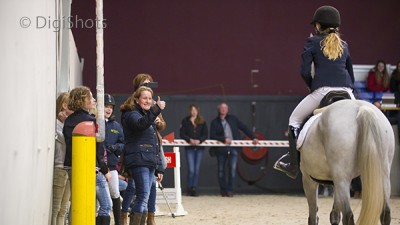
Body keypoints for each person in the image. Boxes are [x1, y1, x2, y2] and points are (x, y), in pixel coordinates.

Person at [273, 5, 355, 179]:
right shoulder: (345, 45)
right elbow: (350, 72)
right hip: (347, 91)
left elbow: (304, 71)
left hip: (323, 90)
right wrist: (349, 89)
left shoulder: (312, 42)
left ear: (318, 26)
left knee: (294, 120)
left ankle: (293, 166)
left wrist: (312, 86)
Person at [63, 86, 112, 225]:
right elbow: (98, 149)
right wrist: (104, 169)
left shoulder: (69, 120)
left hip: (72, 165)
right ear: (81, 100)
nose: (93, 99)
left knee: (77, 202)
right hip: (90, 166)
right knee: (98, 204)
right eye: (90, 97)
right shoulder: (90, 121)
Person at [120, 86, 166, 225]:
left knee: (143, 196)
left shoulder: (148, 115)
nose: (148, 101)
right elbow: (140, 125)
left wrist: (159, 166)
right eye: (144, 98)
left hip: (148, 159)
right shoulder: (131, 114)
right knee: (142, 197)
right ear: (137, 100)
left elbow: (155, 143)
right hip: (139, 160)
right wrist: (156, 109)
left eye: (150, 98)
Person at [209, 102, 258, 197]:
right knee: (221, 171)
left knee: (232, 170)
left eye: (225, 108)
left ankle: (230, 190)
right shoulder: (214, 122)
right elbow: (212, 136)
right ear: (219, 109)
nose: (223, 109)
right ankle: (223, 191)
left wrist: (253, 137)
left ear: (228, 110)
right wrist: (224, 139)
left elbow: (243, 127)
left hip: (233, 148)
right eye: (222, 108)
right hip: (220, 149)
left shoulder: (233, 119)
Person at [52, 92, 73, 225]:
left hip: (69, 167)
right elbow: (66, 140)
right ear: (64, 106)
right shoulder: (56, 124)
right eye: (71, 106)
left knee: (63, 209)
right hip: (60, 168)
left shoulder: (67, 124)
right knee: (56, 208)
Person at [103, 93, 124, 225]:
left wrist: (115, 147)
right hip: (98, 167)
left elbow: (123, 144)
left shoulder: (116, 126)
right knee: (104, 199)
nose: (109, 109)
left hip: (112, 165)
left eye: (111, 106)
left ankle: (118, 222)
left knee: (115, 193)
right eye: (106, 106)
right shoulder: (94, 122)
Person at [180, 104, 208, 196]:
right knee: (191, 170)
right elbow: (182, 134)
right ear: (189, 111)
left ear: (198, 110)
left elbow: (205, 134)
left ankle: (194, 188)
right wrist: (190, 140)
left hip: (199, 148)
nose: (194, 111)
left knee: (196, 169)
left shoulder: (202, 121)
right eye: (192, 110)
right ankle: (189, 188)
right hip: (189, 148)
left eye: (195, 110)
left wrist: (199, 140)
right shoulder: (185, 121)